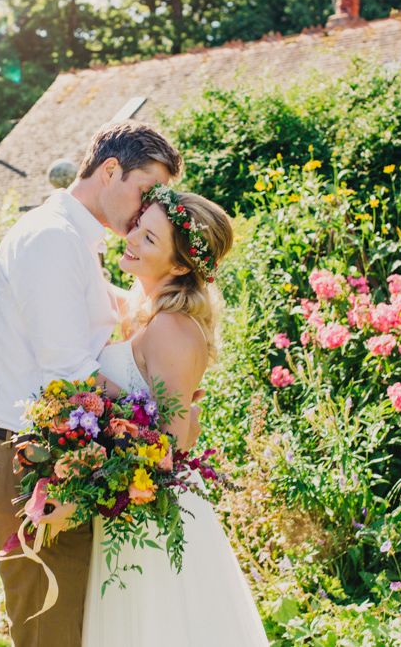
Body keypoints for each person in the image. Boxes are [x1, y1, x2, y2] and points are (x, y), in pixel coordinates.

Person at [0, 120, 182, 647]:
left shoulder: (76, 242)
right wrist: (156, 418)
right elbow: (69, 379)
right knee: (52, 635)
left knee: (71, 632)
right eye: (143, 191)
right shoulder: (51, 241)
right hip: (31, 469)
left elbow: (115, 315)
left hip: (55, 463)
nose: (144, 210)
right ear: (110, 170)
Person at [80, 185, 269, 646]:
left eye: (149, 239)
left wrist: (101, 399)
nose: (131, 239)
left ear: (182, 265)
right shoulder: (145, 314)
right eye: (138, 227)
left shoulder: (172, 328)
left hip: (153, 515)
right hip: (129, 508)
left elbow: (172, 443)